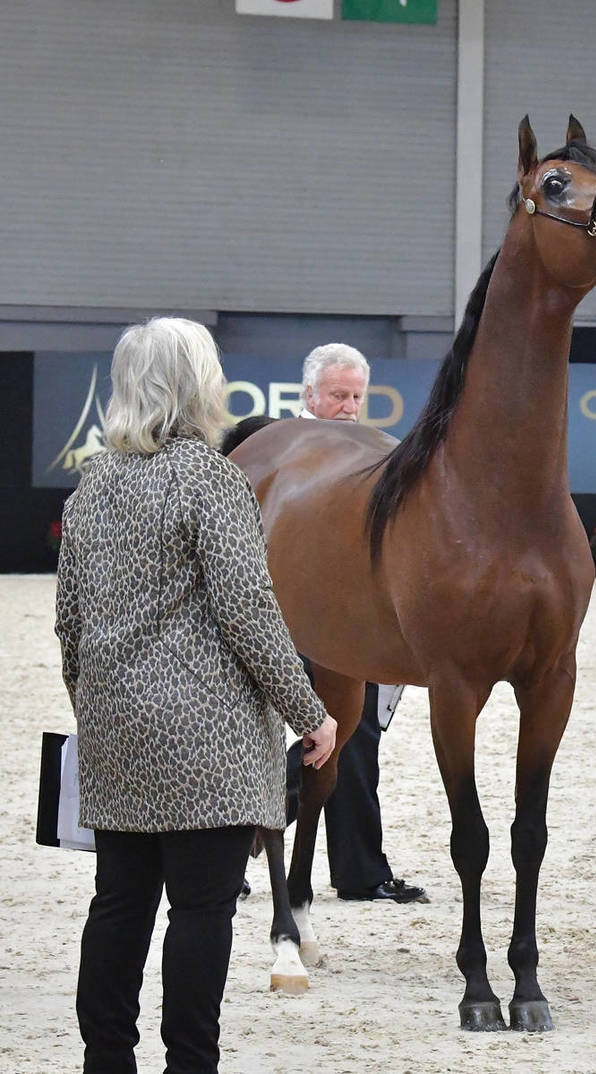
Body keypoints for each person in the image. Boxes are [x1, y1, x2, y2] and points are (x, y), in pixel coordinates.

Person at [55, 316, 337, 1074]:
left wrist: (99, 707)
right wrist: (311, 712)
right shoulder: (211, 479)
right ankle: (190, 1064)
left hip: (116, 727)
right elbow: (249, 613)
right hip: (204, 737)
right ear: (196, 388)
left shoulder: (91, 486)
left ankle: (106, 1059)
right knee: (201, 911)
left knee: (118, 904)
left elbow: (69, 626)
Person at [282, 343, 427, 904]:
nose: (347, 405)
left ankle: (361, 870)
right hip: (285, 618)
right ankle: (238, 845)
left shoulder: (372, 453)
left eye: (356, 396)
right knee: (282, 735)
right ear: (310, 395)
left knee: (359, 737)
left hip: (349, 621)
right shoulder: (282, 450)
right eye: (338, 395)